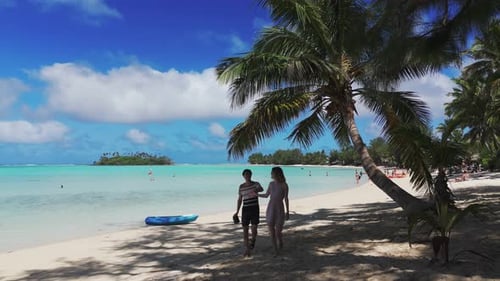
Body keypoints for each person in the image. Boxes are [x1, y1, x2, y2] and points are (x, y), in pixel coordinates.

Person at [259, 167, 289, 256]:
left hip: (280, 208)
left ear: (277, 174)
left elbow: (286, 199)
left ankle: (280, 242)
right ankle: (275, 250)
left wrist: (287, 211)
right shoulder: (271, 184)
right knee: (271, 230)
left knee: (278, 232)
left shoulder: (284, 185)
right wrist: (256, 195)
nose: (271, 174)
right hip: (271, 207)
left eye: (272, 173)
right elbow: (266, 195)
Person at [234, 169, 264, 257]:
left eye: (249, 174)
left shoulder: (255, 184)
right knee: (245, 230)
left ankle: (253, 240)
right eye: (246, 174)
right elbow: (240, 199)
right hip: (245, 209)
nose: (247, 176)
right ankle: (247, 249)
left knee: (254, 229)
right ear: (243, 176)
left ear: (251, 175)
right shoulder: (241, 187)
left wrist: (256, 190)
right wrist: (237, 211)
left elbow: (261, 189)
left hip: (255, 208)